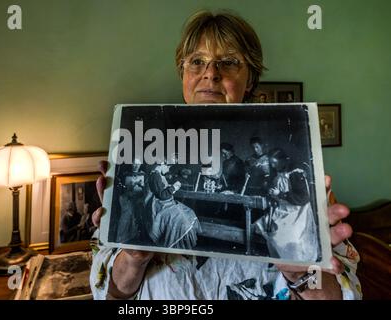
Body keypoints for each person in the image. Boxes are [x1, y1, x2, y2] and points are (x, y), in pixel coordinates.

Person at [90, 10, 361, 300]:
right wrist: (133, 257)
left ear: (250, 79)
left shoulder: (308, 189)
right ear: (183, 75)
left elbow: (341, 294)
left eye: (229, 62)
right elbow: (108, 293)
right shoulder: (145, 154)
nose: (210, 73)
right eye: (196, 61)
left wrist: (300, 275)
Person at [254, 148, 318, 261]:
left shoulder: (295, 173)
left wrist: (281, 194)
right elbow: (276, 187)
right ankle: (278, 259)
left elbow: (304, 198)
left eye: (274, 163)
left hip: (297, 210)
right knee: (266, 226)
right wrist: (271, 192)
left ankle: (293, 260)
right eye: (271, 163)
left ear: (283, 160)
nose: (273, 166)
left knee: (283, 235)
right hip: (282, 208)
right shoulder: (277, 172)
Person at [144, 162, 201, 249]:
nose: (168, 169)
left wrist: (171, 187)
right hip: (160, 205)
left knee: (188, 212)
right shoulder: (155, 176)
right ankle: (180, 242)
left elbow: (161, 190)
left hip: (165, 202)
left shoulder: (158, 174)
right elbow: (162, 195)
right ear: (162, 165)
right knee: (181, 219)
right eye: (168, 167)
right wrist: (174, 187)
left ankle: (185, 240)